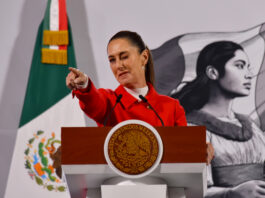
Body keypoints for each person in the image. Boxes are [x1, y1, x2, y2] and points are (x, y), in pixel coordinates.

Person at [66, 30, 214, 164]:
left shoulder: (172, 107)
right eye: (112, 60)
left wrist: (199, 150)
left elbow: (185, 153)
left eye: (124, 57)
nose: (118, 65)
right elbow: (93, 100)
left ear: (144, 58)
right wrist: (84, 84)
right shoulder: (109, 102)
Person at [172, 41, 265, 197]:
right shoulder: (189, 129)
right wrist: (231, 193)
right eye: (240, 66)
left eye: (248, 67)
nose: (249, 74)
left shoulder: (252, 128)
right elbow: (184, 193)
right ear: (213, 72)